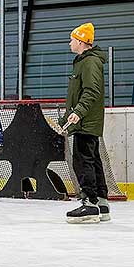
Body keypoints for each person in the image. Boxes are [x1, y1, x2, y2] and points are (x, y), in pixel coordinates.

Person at [59, 22, 110, 224]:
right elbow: (78, 95)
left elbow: (91, 91)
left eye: (72, 39)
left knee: (82, 160)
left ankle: (89, 204)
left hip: (86, 122)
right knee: (92, 159)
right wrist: (66, 118)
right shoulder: (83, 61)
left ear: (81, 41)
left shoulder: (89, 63)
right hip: (85, 120)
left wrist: (78, 113)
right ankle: (101, 204)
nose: (69, 43)